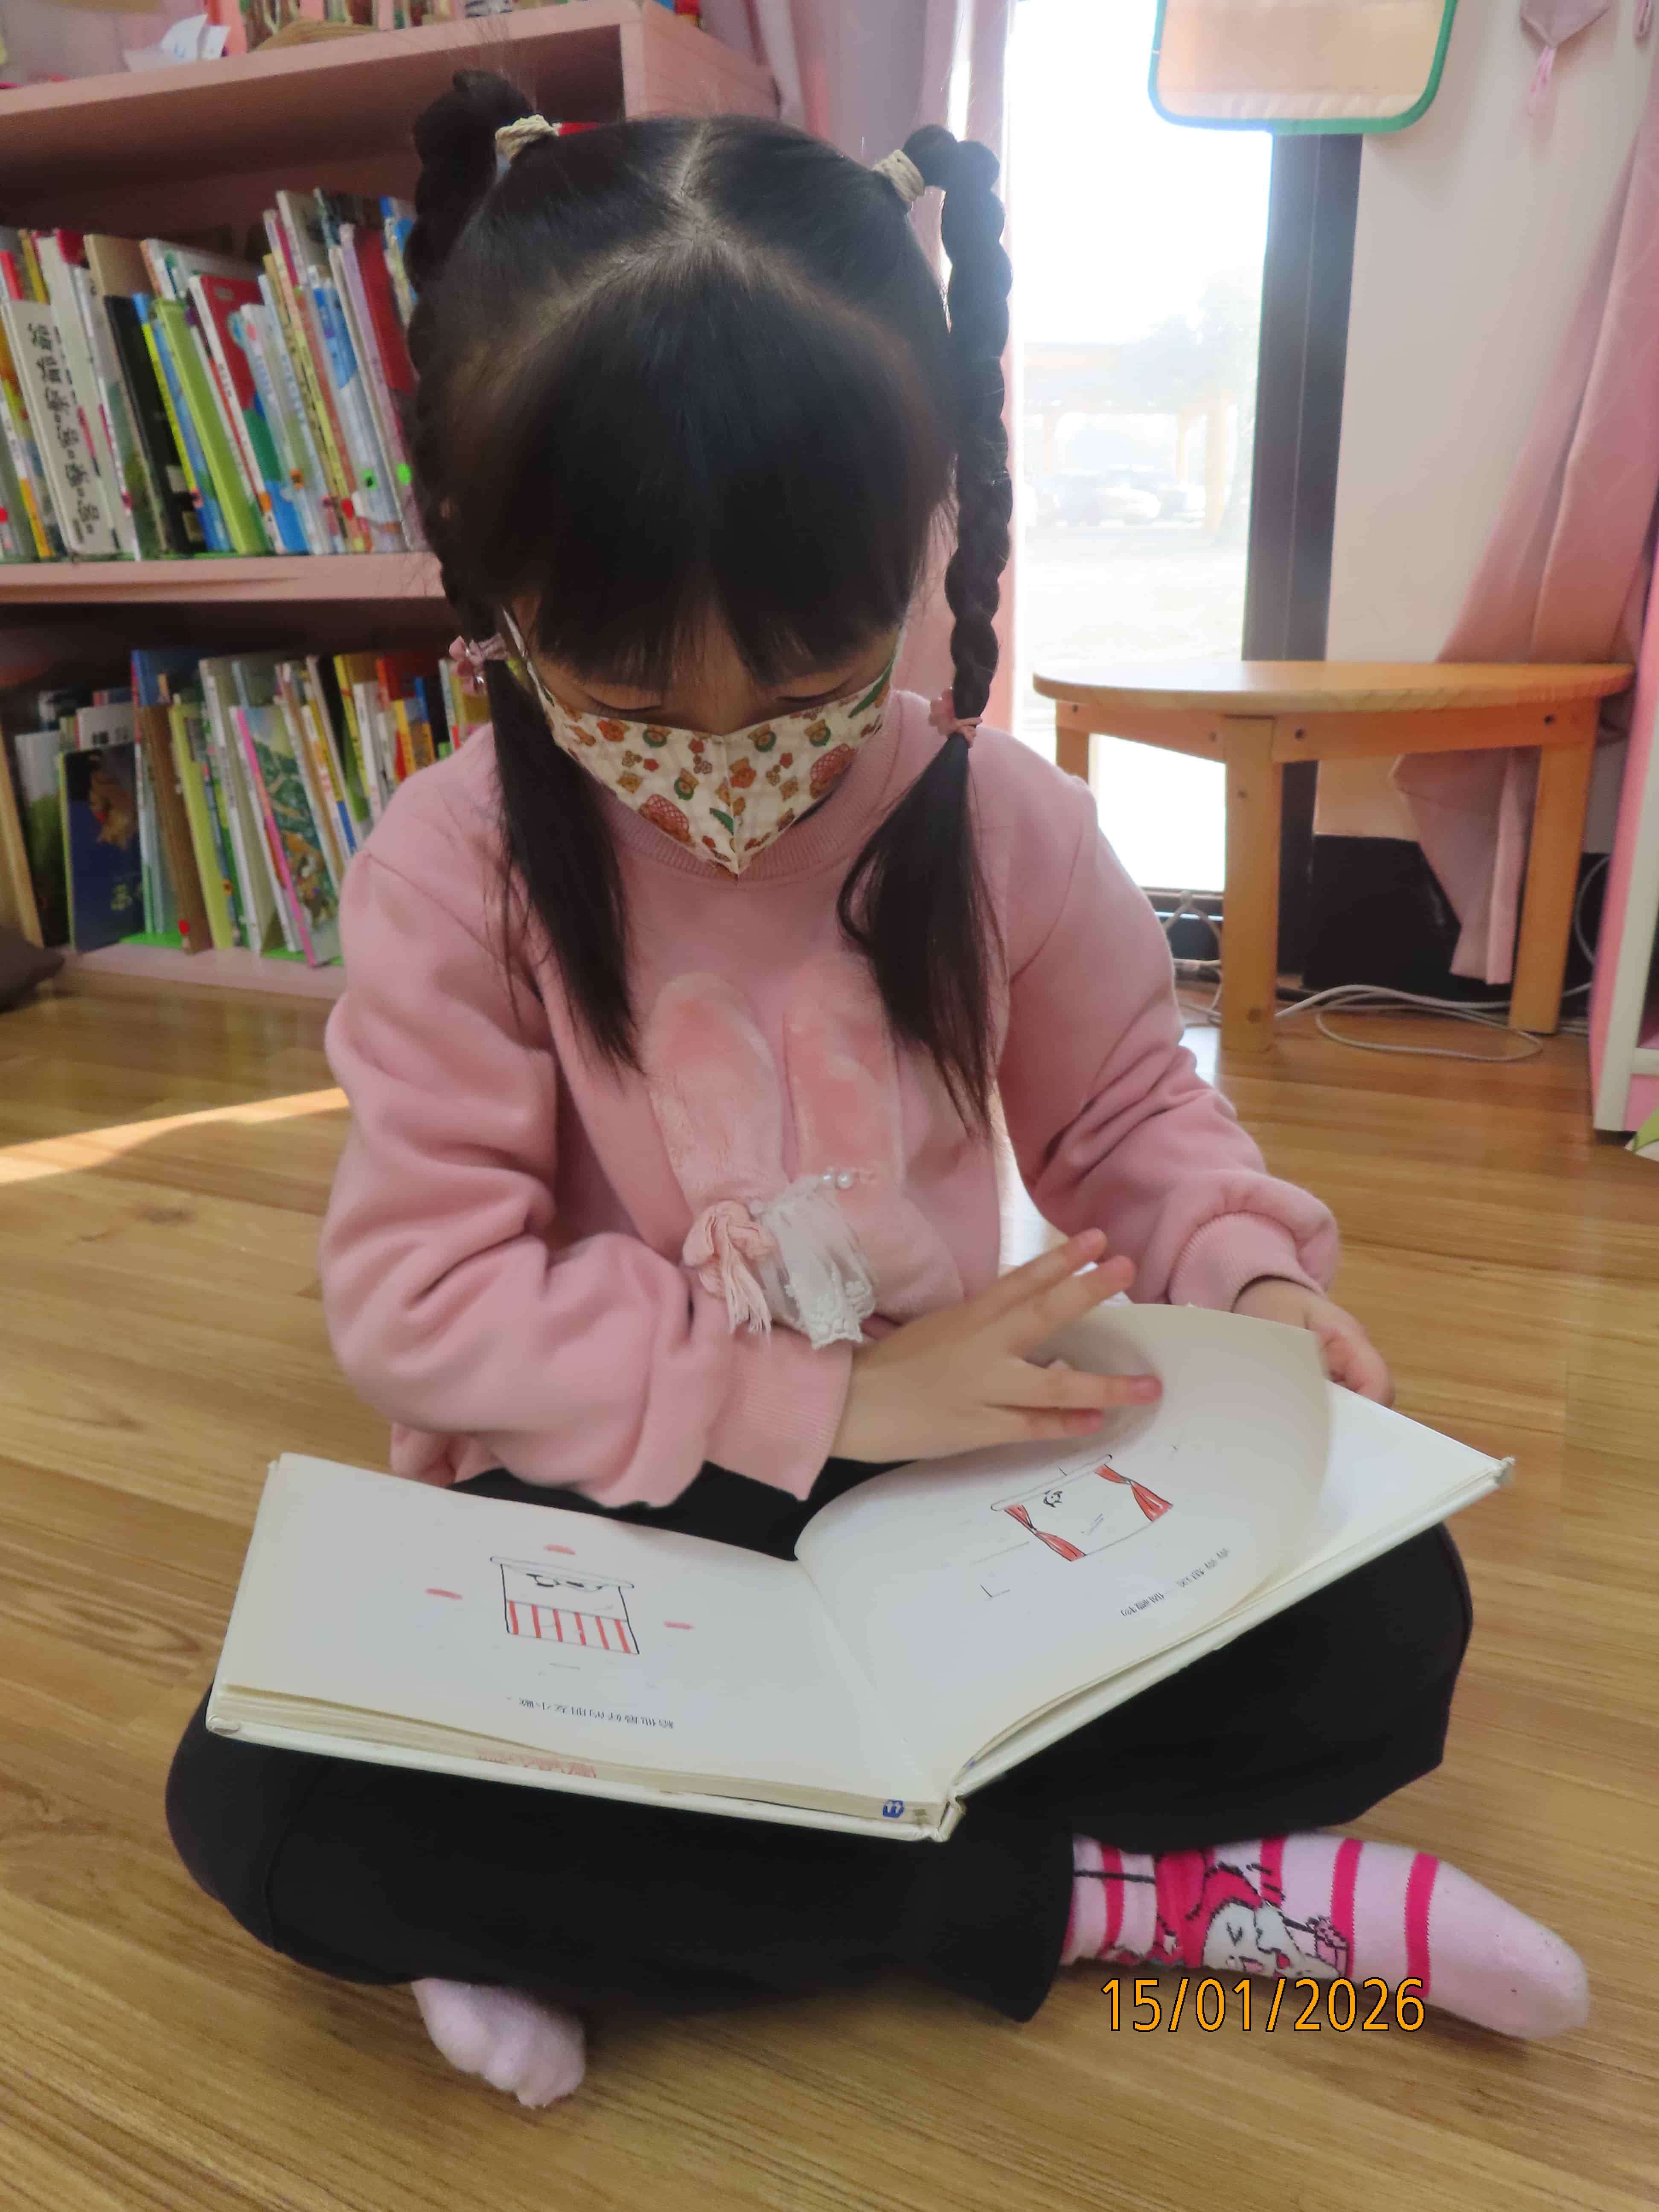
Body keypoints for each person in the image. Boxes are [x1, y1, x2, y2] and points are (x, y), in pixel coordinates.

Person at [165, 74, 1586, 2106]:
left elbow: (1128, 1118)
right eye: (632, 701)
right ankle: (1120, 1907)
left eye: (810, 687)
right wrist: (823, 1402)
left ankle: (638, 1901)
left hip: (959, 1454)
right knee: (263, 1798)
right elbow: (426, 1306)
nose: (724, 769)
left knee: (1389, 1620)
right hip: (620, 1489)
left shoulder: (1000, 823)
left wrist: (1249, 1276)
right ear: (493, 589)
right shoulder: (451, 865)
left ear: (933, 532)